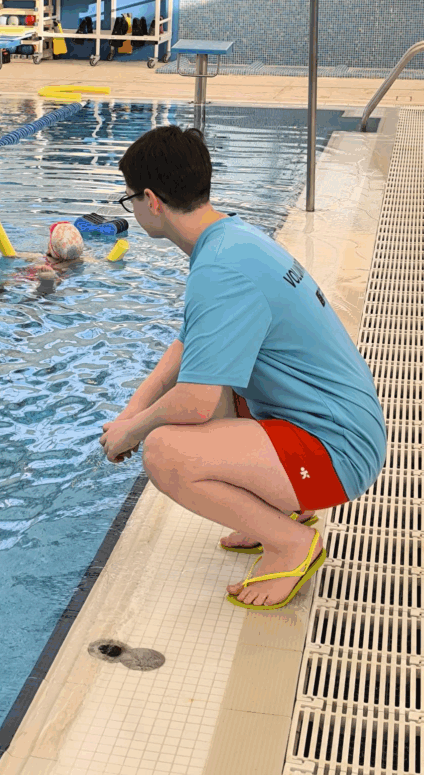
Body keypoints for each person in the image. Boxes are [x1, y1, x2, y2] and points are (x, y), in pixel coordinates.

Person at [99, 125, 386, 611]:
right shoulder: (232, 238)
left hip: (339, 451)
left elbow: (193, 404)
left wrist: (134, 432)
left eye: (130, 198)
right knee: (209, 392)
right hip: (337, 421)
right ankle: (274, 513)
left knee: (164, 450)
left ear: (151, 200)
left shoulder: (220, 271)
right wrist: (129, 412)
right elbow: (184, 348)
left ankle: (292, 543)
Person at [0, 222, 87, 307]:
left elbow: (13, 255)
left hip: (26, 275)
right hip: (56, 274)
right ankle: (46, 286)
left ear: (50, 245)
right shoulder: (80, 261)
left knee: (6, 283)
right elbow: (101, 261)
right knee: (44, 293)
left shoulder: (37, 257)